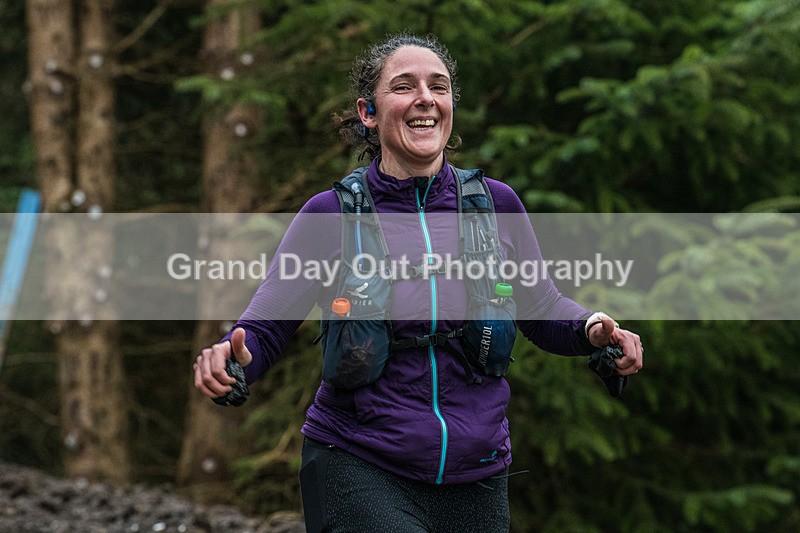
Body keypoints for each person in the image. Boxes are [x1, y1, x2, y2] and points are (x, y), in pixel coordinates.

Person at [193, 33, 643, 533]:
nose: (425, 98)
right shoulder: (331, 215)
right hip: (359, 461)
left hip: (478, 472)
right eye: (404, 87)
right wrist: (231, 360)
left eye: (439, 87)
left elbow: (542, 305)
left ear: (450, 107)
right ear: (368, 111)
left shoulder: (497, 206)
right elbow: (265, 328)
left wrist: (594, 328)